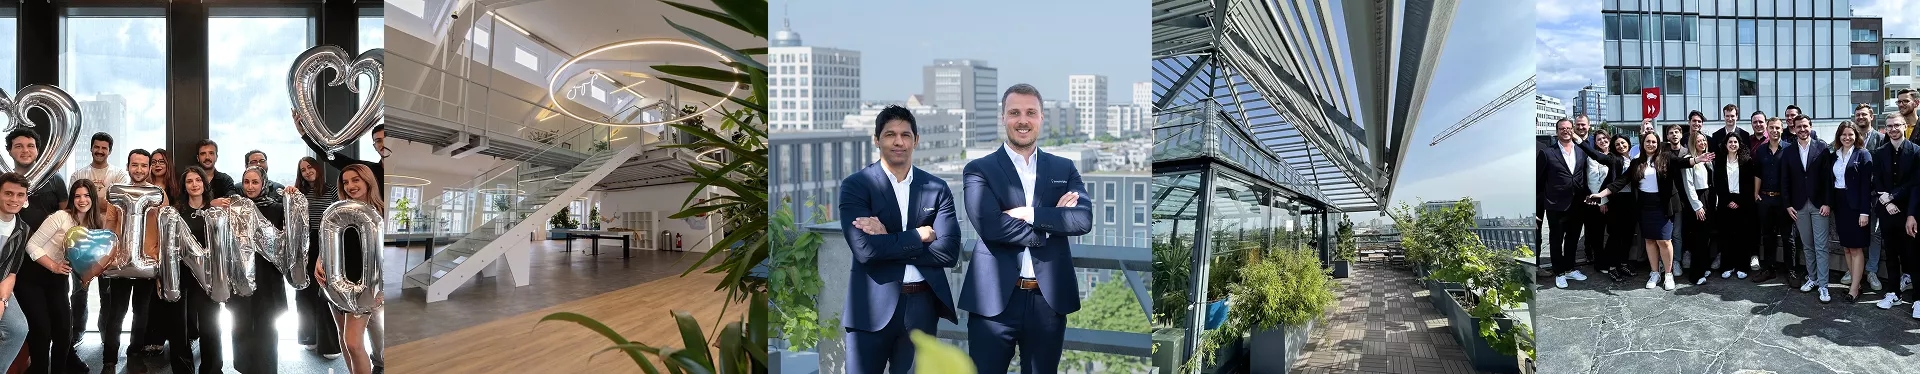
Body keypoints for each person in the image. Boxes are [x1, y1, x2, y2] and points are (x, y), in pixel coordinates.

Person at [959, 84, 1091, 374]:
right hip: (992, 303)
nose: (1023, 120)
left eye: (1030, 112)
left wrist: (1027, 213)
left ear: (1042, 118)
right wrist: (1051, 222)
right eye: (1014, 112)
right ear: (1002, 118)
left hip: (1048, 302)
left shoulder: (1063, 168)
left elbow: (1082, 220)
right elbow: (990, 226)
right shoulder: (979, 169)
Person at [837, 106, 961, 373]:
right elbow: (865, 250)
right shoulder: (857, 185)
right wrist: (919, 235)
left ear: (916, 140)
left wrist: (889, 240)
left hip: (922, 307)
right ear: (876, 139)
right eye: (890, 134)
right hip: (870, 308)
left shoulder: (936, 188)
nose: (898, 141)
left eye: (906, 135)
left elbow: (949, 251)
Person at [1590, 125, 1697, 291]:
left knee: (1664, 240)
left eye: (1654, 142)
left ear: (1658, 144)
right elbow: (1619, 183)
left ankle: (1668, 274)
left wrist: (1697, 159)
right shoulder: (1636, 163)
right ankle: (1655, 272)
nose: (1651, 144)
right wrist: (1600, 194)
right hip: (1645, 206)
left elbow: (1683, 162)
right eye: (1648, 141)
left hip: (1663, 205)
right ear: (1643, 144)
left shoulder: (1666, 158)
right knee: (1650, 240)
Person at [7, 128, 79, 374]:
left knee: (62, 326)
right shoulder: (6, 182)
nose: (25, 150)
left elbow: (66, 218)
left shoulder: (55, 180)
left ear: (38, 150)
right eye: (19, 146)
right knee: (39, 328)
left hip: (56, 265)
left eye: (30, 145)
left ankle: (63, 366)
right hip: (23, 268)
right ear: (9, 151)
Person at [26, 179, 114, 374]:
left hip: (58, 278)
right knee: (42, 332)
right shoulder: (60, 217)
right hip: (34, 277)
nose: (82, 200)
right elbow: (31, 245)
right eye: (77, 196)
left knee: (64, 332)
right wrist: (54, 266)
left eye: (86, 195)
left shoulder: (93, 224)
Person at [315, 164, 382, 374]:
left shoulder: (379, 213)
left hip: (362, 286)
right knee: (343, 336)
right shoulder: (338, 211)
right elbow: (328, 243)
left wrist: (382, 289)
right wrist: (319, 259)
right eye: (345, 182)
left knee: (353, 342)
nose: (350, 186)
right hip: (334, 282)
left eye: (356, 180)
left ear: (367, 181)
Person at [96, 149, 157, 373]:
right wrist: (109, 257)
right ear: (128, 166)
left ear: (149, 168)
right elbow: (109, 227)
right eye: (135, 165)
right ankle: (109, 359)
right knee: (117, 312)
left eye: (143, 165)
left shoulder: (158, 194)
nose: (139, 169)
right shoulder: (117, 193)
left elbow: (162, 229)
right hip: (120, 264)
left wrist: (156, 256)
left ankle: (135, 353)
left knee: (142, 312)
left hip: (147, 262)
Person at [71, 132, 127, 365]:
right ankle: (77, 332)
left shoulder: (119, 174)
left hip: (107, 241)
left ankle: (105, 332)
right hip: (82, 240)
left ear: (109, 151)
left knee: (107, 292)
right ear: (91, 148)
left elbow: (119, 203)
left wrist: (93, 199)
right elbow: (75, 202)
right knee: (79, 291)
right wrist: (101, 198)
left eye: (104, 148)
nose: (100, 151)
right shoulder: (79, 174)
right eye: (97, 147)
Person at [232, 166, 289, 373]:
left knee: (267, 326)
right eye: (246, 182)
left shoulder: (276, 209)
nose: (250, 186)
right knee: (241, 323)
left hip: (268, 276)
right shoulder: (236, 209)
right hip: (241, 275)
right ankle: (244, 367)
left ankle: (266, 368)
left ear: (264, 183)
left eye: (255, 182)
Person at [167, 166, 223, 373]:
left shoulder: (214, 210)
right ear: (184, 186)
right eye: (189, 181)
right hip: (181, 275)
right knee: (179, 327)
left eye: (198, 180)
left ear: (204, 184)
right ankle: (183, 369)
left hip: (208, 277)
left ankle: (212, 369)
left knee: (211, 326)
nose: (194, 184)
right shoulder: (176, 211)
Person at [293, 156, 342, 358]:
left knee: (325, 292)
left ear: (317, 168)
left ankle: (330, 344)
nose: (307, 171)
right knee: (304, 292)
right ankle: (309, 338)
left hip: (327, 243)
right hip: (304, 244)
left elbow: (340, 214)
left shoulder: (331, 189)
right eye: (303, 169)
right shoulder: (300, 192)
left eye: (309, 167)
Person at [1871, 114, 1920, 313]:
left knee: (1914, 255)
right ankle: (1893, 293)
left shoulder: (1916, 151)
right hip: (1887, 211)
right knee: (1891, 254)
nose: (1892, 129)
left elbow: (1916, 184)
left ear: (1905, 126)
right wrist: (1885, 201)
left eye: (1896, 125)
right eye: (1889, 126)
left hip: (1909, 211)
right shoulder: (1880, 152)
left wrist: (1909, 212)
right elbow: (1877, 180)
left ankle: (1918, 299)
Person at [1782, 116, 1833, 302]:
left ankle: (1824, 285)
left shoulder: (1822, 147)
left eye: (1805, 126)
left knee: (1821, 246)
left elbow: (1828, 179)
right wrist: (1787, 204)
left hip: (1820, 205)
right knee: (1808, 245)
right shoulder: (1788, 151)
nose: (1802, 129)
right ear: (1793, 129)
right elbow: (1785, 180)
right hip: (1798, 205)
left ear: (1810, 127)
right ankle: (1812, 278)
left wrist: (1828, 202)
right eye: (1798, 127)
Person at [1539, 118, 1591, 288]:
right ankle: (1559, 272)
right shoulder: (1547, 153)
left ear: (1573, 130)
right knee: (1556, 240)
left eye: (1569, 128)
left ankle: (1569, 269)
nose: (1566, 131)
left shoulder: (1581, 151)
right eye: (1562, 128)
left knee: (1573, 238)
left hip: (1577, 203)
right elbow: (1539, 182)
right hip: (1556, 205)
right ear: (1557, 132)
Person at [1824, 123, 1873, 303]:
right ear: (1839, 136)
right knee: (1846, 246)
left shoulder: (1863, 154)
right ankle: (1856, 283)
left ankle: (1854, 288)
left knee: (1856, 247)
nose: (1847, 137)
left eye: (1850, 134)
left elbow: (1866, 186)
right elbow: (1831, 182)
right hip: (1841, 204)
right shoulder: (1833, 156)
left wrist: (1864, 212)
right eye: (1843, 134)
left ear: (1856, 135)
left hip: (1857, 206)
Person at [0, 173, 38, 372]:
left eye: (19, 195)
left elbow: (12, 271)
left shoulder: (23, 229)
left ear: (25, 199)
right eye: (8, 193)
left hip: (2, 286)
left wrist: (2, 301)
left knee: (18, 329)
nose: (14, 200)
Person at [1849, 104, 1888, 292]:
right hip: (1854, 195)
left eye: (1864, 114)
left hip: (1875, 195)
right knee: (1854, 231)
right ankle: (1853, 270)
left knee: (1875, 233)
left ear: (1871, 116)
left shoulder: (1881, 138)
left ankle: (1871, 270)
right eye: (1858, 115)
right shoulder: (1851, 138)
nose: (1861, 117)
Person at [1753, 118, 1794, 284]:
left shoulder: (1790, 150)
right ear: (1767, 130)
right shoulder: (1761, 150)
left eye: (1777, 127)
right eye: (1771, 128)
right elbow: (1758, 173)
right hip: (1765, 199)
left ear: (1782, 129)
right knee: (1767, 236)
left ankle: (1790, 271)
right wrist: (1756, 193)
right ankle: (1769, 269)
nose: (1774, 130)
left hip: (1784, 201)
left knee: (1787, 237)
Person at [1712, 132, 1755, 280]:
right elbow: (1717, 183)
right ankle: (1727, 266)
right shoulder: (1719, 161)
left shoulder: (1746, 161)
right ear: (1725, 144)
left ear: (1739, 144)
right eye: (1730, 142)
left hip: (1742, 202)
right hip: (1725, 202)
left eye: (1735, 142)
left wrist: (1739, 201)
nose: (1732, 144)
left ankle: (1742, 266)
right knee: (1726, 236)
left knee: (1742, 236)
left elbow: (1749, 184)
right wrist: (1727, 200)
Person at [1684, 131, 1714, 285]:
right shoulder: (1689, 160)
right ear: (1693, 143)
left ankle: (1704, 267)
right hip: (1698, 200)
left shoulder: (1707, 158)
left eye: (1704, 140)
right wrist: (1697, 206)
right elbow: (1688, 185)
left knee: (1706, 237)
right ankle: (1696, 274)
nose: (1702, 143)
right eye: (1699, 141)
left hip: (1709, 198)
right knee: (1698, 239)